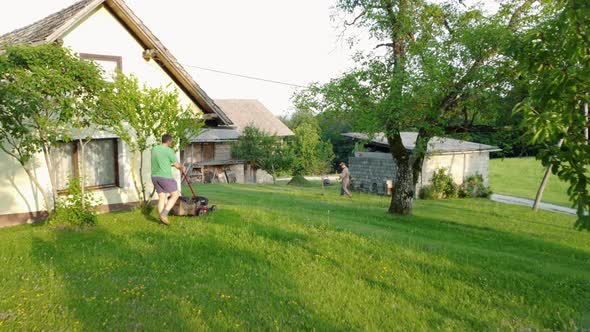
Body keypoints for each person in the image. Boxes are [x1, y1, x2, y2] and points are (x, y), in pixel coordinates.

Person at [151, 134, 186, 225]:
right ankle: (164, 214)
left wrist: (168, 164)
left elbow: (161, 161)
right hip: (165, 177)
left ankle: (161, 221)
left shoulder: (154, 149)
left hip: (155, 176)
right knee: (175, 195)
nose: (171, 143)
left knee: (162, 197)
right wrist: (182, 168)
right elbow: (176, 165)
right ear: (168, 141)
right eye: (171, 141)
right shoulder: (169, 151)